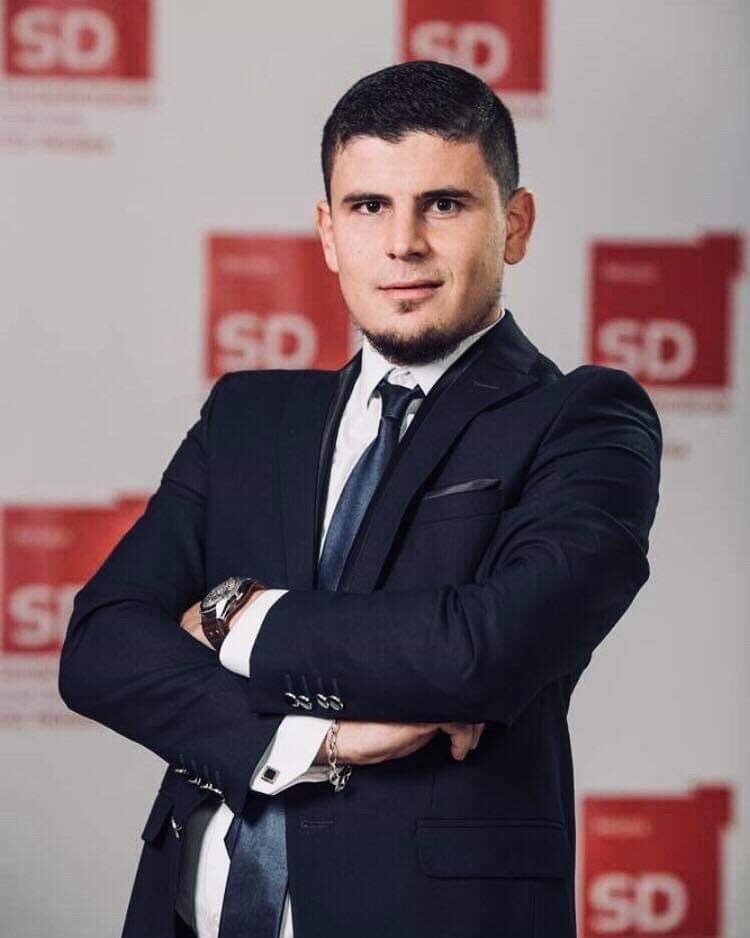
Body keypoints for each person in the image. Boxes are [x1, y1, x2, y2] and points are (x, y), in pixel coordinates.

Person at [58, 60, 662, 938]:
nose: (402, 243)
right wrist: (321, 740)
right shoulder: (247, 416)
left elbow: (481, 649)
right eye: (369, 206)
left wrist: (236, 617)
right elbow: (100, 646)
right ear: (329, 232)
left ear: (515, 224)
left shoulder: (583, 418)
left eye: (443, 204)